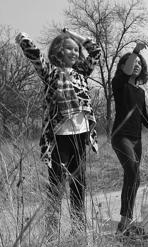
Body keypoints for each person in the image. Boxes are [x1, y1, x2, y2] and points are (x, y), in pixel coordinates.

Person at [15, 28, 101, 236]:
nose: (74, 53)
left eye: (76, 50)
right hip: (58, 139)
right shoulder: (50, 72)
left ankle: (79, 232)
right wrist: (23, 38)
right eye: (69, 49)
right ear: (59, 51)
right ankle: (52, 235)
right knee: (56, 187)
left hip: (81, 136)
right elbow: (35, 56)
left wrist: (73, 34)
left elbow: (96, 52)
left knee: (79, 185)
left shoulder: (82, 72)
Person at [111, 41, 148, 236]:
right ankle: (124, 224)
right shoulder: (119, 84)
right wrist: (136, 51)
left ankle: (126, 223)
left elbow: (143, 115)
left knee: (135, 177)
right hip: (120, 136)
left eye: (140, 63)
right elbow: (126, 71)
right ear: (123, 67)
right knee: (131, 170)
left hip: (136, 139)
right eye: (133, 62)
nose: (137, 65)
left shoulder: (141, 91)